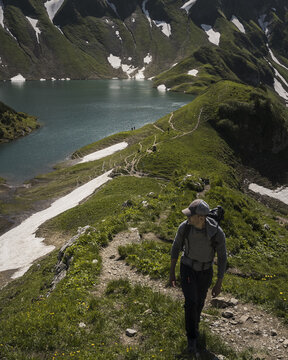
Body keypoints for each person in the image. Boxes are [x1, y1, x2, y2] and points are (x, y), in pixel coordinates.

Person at [169, 199, 227, 355]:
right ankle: (192, 338)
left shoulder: (217, 233)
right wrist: (172, 271)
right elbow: (176, 248)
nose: (187, 217)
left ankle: (195, 322)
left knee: (199, 302)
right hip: (187, 268)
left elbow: (222, 258)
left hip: (205, 272)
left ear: (201, 218)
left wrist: (219, 282)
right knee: (191, 302)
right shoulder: (185, 227)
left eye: (191, 215)